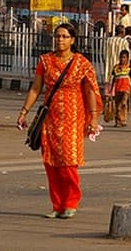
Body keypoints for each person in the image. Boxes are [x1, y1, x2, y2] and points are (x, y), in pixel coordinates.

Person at [16, 23, 102, 219]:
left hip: (73, 116)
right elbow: (36, 89)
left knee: (68, 162)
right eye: (57, 36)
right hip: (50, 117)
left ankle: (71, 202)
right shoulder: (45, 61)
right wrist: (24, 112)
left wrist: (94, 117)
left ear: (72, 40)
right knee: (51, 163)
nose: (60, 40)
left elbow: (89, 91)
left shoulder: (82, 63)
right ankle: (57, 205)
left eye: (64, 36)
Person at [102, 25, 129, 101]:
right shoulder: (124, 42)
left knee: (108, 91)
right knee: (118, 94)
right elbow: (127, 55)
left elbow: (103, 53)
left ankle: (108, 108)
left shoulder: (108, 41)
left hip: (108, 67)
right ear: (122, 32)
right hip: (120, 71)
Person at [111, 49, 131, 127]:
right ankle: (118, 121)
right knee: (117, 105)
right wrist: (111, 89)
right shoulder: (116, 67)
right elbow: (114, 79)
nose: (122, 59)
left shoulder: (129, 68)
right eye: (121, 57)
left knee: (123, 103)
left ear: (127, 58)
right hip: (118, 88)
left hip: (126, 88)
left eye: (124, 57)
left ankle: (123, 119)